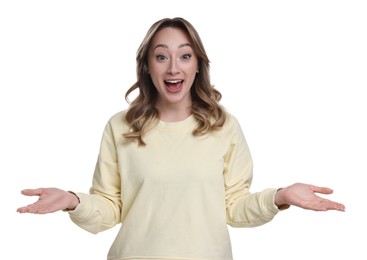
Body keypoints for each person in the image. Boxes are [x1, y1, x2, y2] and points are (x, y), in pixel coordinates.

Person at [17, 17, 345, 260]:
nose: (174, 67)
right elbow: (109, 208)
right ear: (147, 66)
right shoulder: (121, 127)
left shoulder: (223, 126)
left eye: (185, 56)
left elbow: (234, 208)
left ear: (198, 65)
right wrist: (73, 201)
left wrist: (280, 195)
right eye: (161, 56)